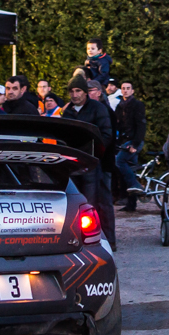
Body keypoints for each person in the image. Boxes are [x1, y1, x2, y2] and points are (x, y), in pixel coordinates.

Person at [58, 76, 115, 242]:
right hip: (72, 163)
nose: (74, 95)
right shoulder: (68, 111)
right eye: (71, 91)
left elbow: (106, 135)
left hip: (93, 162)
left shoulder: (98, 109)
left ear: (85, 92)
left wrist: (92, 153)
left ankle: (102, 239)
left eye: (78, 91)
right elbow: (62, 136)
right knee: (74, 202)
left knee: (94, 202)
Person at [112, 79, 146, 205]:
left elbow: (141, 125)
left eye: (128, 88)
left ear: (132, 91)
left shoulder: (137, 105)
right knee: (131, 168)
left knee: (119, 161)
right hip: (124, 140)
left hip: (133, 141)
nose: (125, 91)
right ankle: (131, 203)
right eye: (123, 88)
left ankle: (136, 185)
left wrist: (135, 144)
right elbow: (117, 124)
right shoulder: (120, 106)